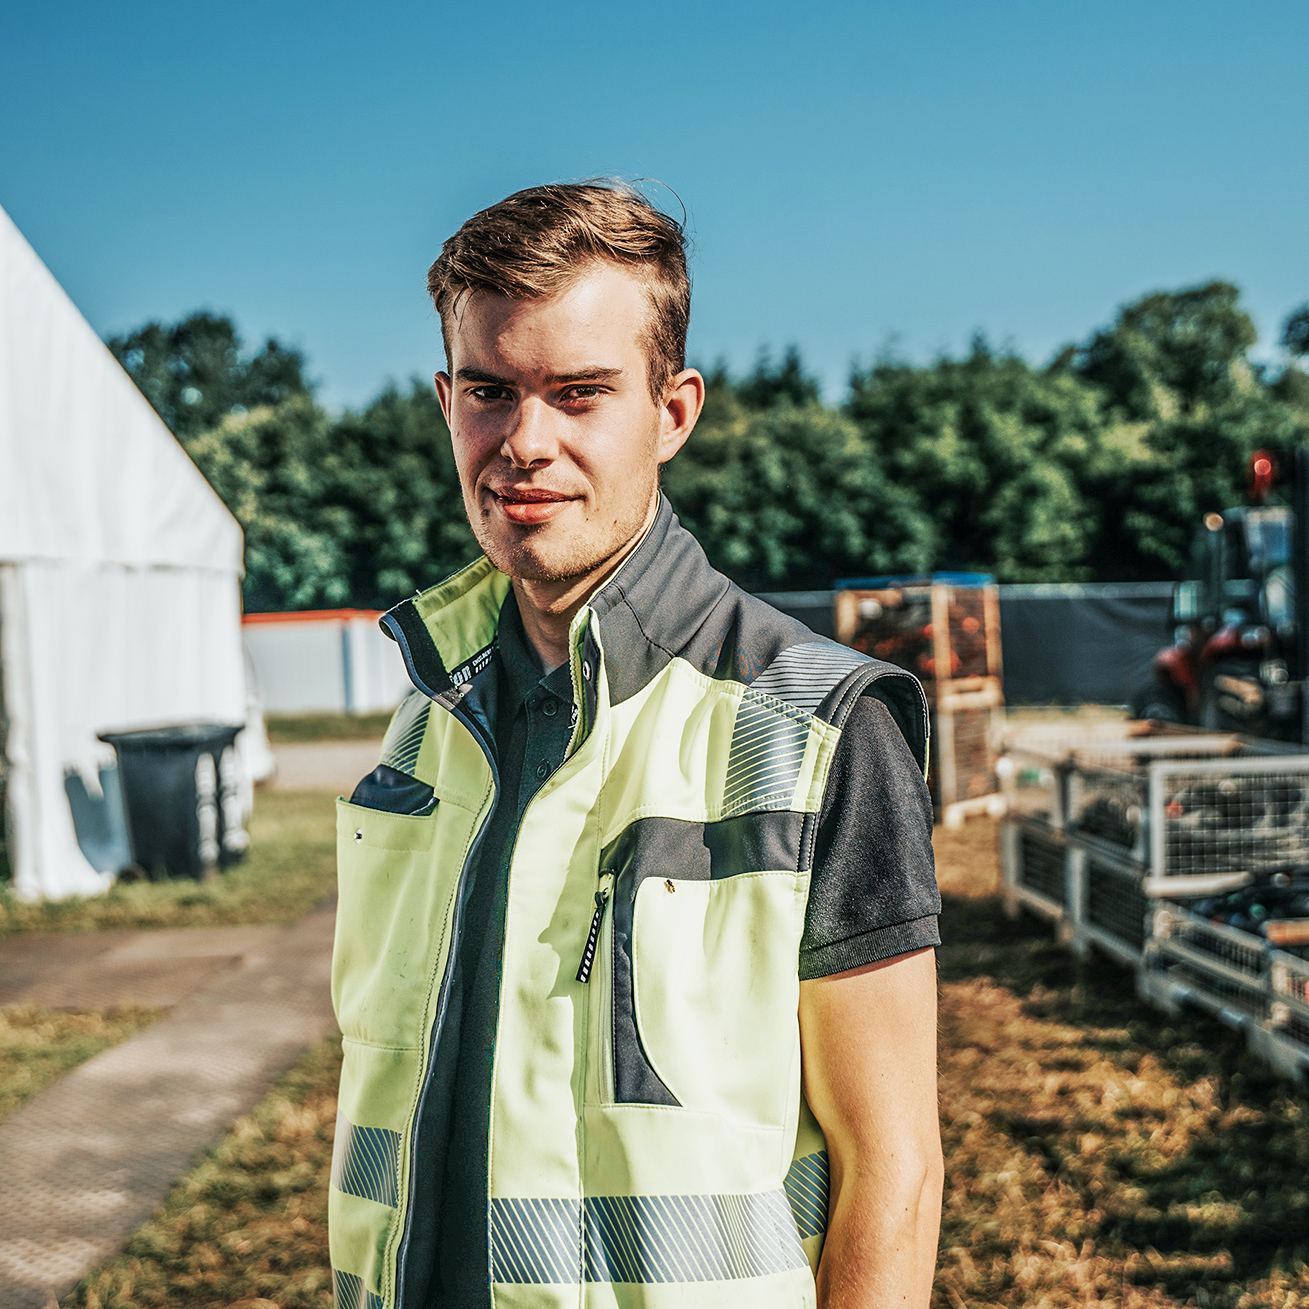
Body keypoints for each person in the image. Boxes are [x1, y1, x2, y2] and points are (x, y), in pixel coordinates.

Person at [329, 181, 943, 1309]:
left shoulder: (819, 727)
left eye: (579, 393)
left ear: (672, 411)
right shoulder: (426, 723)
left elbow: (891, 1173)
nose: (526, 443)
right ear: (446, 401)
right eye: (489, 391)